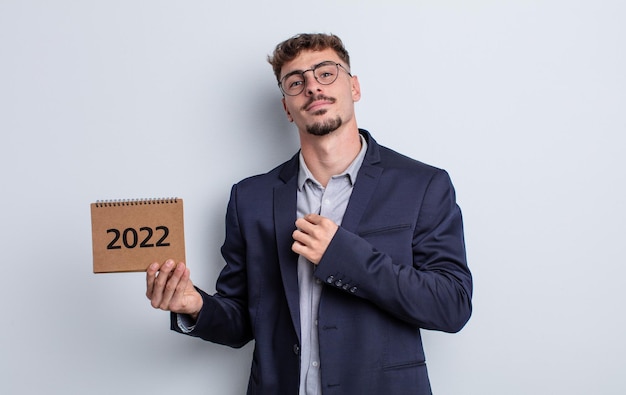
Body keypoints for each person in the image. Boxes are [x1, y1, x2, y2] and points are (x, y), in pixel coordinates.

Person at [146, 33, 472, 395]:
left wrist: (345, 258)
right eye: (296, 82)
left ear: (354, 87)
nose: (313, 87)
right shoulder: (249, 198)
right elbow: (242, 320)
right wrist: (195, 306)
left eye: (326, 73)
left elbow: (452, 305)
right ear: (287, 107)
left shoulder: (422, 185)